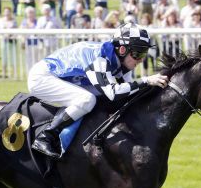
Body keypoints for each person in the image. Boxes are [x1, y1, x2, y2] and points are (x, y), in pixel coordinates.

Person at [28, 23, 169, 158]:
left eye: (143, 54)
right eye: (138, 54)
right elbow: (113, 93)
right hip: (42, 78)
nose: (140, 60)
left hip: (65, 78)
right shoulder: (99, 58)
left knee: (101, 98)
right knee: (87, 99)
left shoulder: (121, 61)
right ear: (122, 50)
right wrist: (145, 80)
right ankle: (46, 136)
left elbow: (127, 93)